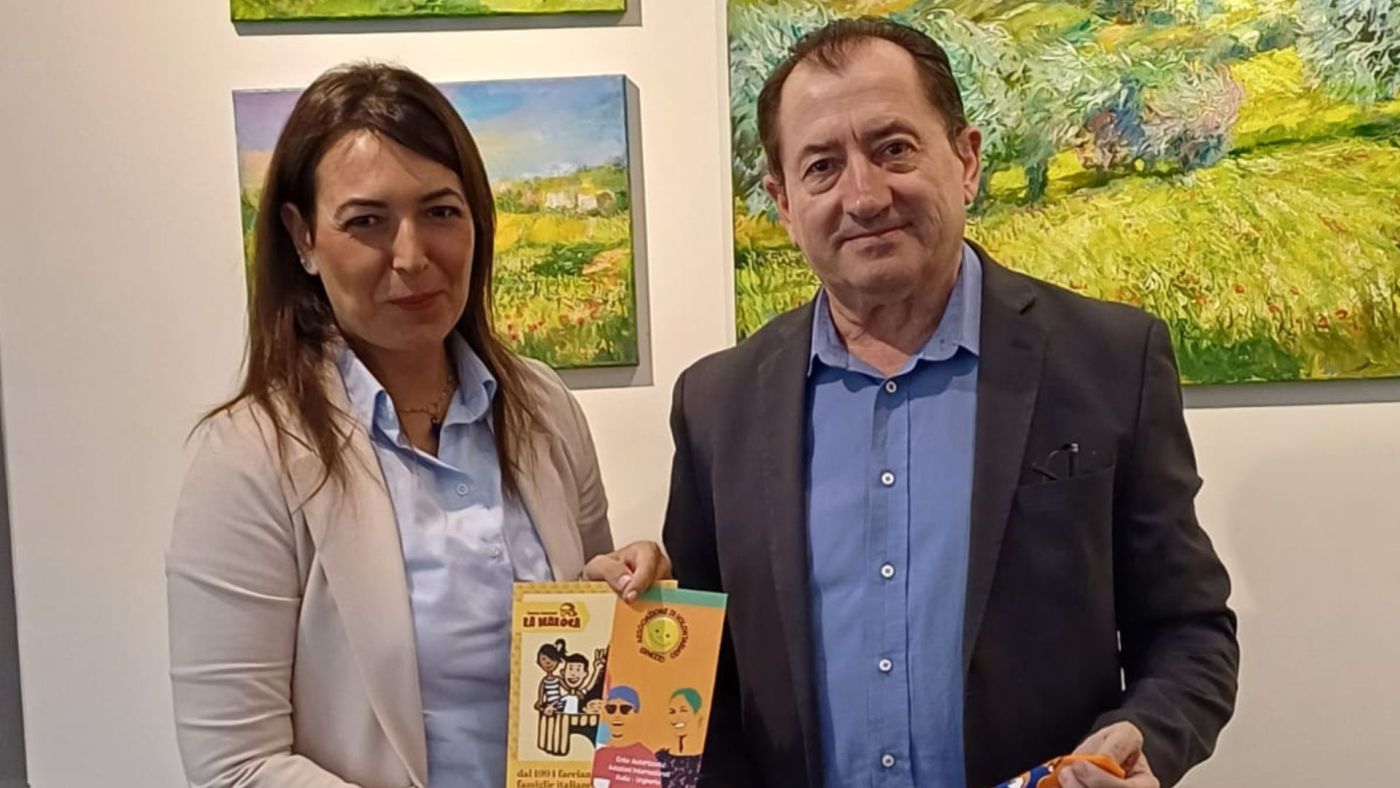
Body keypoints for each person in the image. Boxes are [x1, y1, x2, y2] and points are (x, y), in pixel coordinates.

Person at [662, 17, 1239, 788]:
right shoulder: (716, 404)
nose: (865, 195)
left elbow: (1189, 631)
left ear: (965, 160)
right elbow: (694, 675)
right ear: (784, 201)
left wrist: (1149, 736)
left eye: (894, 149)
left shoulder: (1109, 360)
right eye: (822, 167)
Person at [166, 62, 669, 788]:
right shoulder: (249, 458)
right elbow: (234, 767)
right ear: (303, 237)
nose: (412, 256)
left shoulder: (543, 405)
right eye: (366, 222)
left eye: (440, 212)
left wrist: (616, 587)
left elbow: (586, 686)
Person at [592, 686, 662, 788]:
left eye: (625, 709)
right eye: (611, 709)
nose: (617, 715)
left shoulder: (646, 757)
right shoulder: (598, 755)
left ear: (636, 715)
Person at [656, 689, 705, 788]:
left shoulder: (703, 761)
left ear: (697, 715)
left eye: (683, 710)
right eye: (672, 712)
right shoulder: (660, 758)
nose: (676, 717)